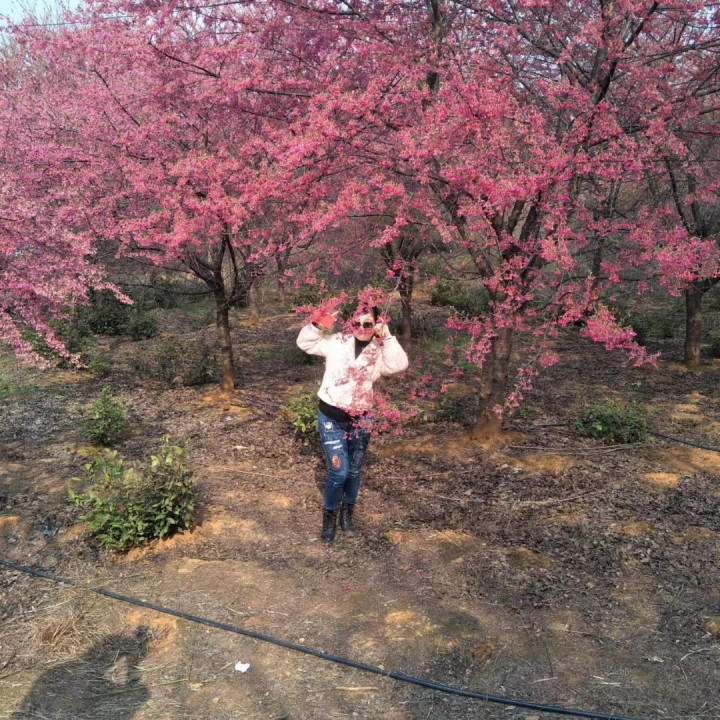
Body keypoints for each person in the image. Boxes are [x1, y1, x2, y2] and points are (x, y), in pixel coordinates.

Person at [297, 304, 409, 543]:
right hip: (331, 418)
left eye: (368, 324)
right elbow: (305, 344)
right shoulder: (337, 341)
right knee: (339, 472)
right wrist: (319, 323)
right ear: (350, 324)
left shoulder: (378, 351)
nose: (361, 328)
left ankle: (347, 514)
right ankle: (329, 516)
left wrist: (387, 336)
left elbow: (399, 365)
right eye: (356, 323)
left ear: (376, 324)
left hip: (361, 421)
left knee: (355, 470)